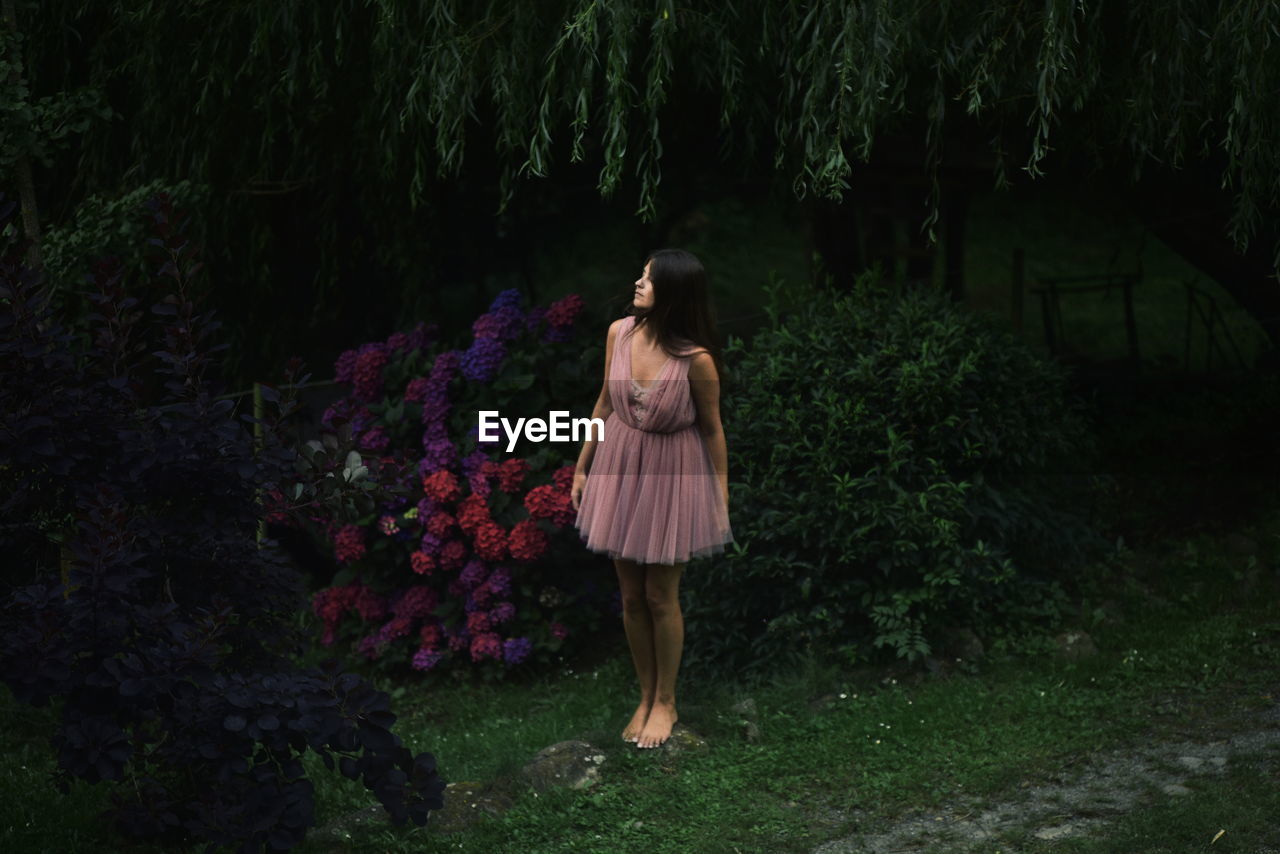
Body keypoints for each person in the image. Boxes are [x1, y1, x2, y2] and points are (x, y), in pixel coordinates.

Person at [571, 248, 733, 750]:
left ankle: (667, 700)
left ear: (674, 293)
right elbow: (603, 400)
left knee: (662, 596)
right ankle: (644, 696)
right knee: (630, 595)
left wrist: (718, 494)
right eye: (640, 273)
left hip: (671, 474)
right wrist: (582, 466)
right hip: (619, 466)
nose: (637, 283)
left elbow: (712, 429)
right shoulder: (620, 333)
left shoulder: (696, 361)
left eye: (648, 278)